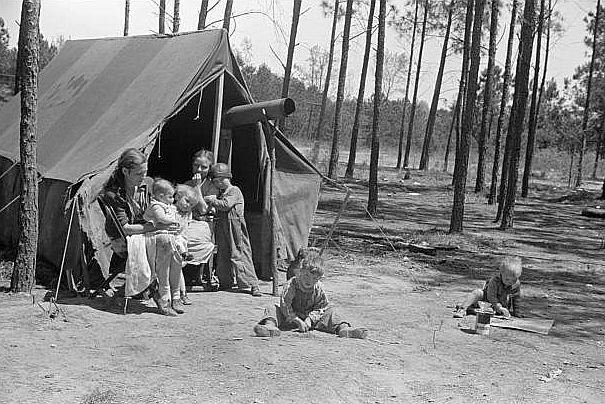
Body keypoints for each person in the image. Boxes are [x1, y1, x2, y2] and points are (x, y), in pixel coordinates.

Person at [101, 148, 182, 317]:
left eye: (145, 172)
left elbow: (156, 210)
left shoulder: (146, 186)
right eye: (138, 173)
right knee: (164, 241)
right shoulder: (114, 194)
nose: (143, 177)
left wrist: (167, 224)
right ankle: (161, 297)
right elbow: (125, 228)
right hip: (124, 238)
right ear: (125, 171)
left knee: (171, 241)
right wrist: (157, 227)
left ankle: (174, 294)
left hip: (145, 231)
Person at [274, 250, 368, 339]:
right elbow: (285, 304)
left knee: (332, 311)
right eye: (306, 276)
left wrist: (310, 319)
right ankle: (269, 326)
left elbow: (321, 306)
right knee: (273, 308)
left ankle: (344, 329)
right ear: (300, 271)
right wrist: (297, 320)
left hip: (312, 320)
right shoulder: (292, 285)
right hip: (290, 318)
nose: (309, 281)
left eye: (314, 278)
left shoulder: (319, 288)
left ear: (319, 278)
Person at [204, 163, 262, 297]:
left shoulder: (234, 190)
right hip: (223, 226)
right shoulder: (222, 193)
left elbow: (226, 205)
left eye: (216, 182)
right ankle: (225, 282)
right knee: (223, 254)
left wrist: (212, 200)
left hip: (235, 228)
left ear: (219, 180)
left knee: (240, 254)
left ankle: (252, 284)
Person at [183, 149, 219, 290]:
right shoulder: (187, 184)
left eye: (203, 167)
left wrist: (197, 188)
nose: (199, 170)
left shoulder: (213, 186)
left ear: (209, 168)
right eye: (196, 165)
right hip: (188, 221)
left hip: (205, 223)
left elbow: (204, 209)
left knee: (191, 239)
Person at [453, 256, 522, 319]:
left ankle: (473, 310)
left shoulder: (516, 284)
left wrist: (517, 311)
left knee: (493, 310)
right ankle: (463, 308)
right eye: (507, 279)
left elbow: (516, 298)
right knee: (477, 293)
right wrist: (498, 306)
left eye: (514, 280)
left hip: (499, 305)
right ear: (501, 274)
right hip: (486, 300)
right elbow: (491, 296)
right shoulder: (495, 281)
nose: (510, 282)